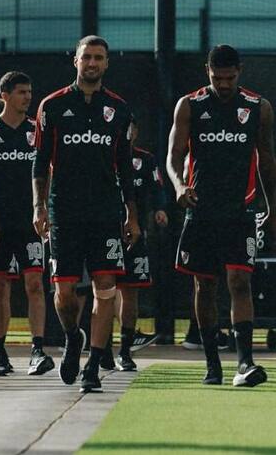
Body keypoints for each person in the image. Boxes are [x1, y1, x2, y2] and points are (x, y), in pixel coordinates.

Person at [166, 44, 276, 387]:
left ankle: (245, 361)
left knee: (240, 281)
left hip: (240, 210)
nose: (224, 84)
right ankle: (212, 363)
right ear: (207, 72)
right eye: (218, 78)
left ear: (239, 72)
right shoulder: (190, 106)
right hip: (201, 210)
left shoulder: (258, 107)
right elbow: (173, 156)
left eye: (230, 78)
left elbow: (267, 159)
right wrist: (178, 186)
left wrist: (271, 208)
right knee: (204, 284)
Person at [33, 35, 140, 393]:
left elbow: (126, 166)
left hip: (105, 213)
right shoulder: (52, 106)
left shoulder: (119, 109)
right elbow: (39, 164)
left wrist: (131, 213)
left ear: (107, 63)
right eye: (86, 57)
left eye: (99, 58)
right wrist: (39, 207)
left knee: (105, 288)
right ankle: (71, 336)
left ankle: (93, 364)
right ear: (75, 61)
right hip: (63, 210)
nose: (92, 63)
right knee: (63, 293)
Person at [0, 71, 54, 377]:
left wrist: (45, 210)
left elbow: (47, 174)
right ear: (6, 95)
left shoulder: (35, 131)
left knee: (35, 283)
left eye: (30, 91)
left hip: (30, 222)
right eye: (22, 92)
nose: (28, 97)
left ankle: (37, 350)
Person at [113, 119, 169, 371]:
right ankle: (99, 348)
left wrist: (159, 209)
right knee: (101, 289)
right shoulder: (104, 155)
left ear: (136, 132)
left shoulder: (145, 159)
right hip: (103, 232)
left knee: (130, 290)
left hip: (135, 234)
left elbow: (157, 188)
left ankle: (125, 349)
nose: (126, 132)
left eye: (131, 129)